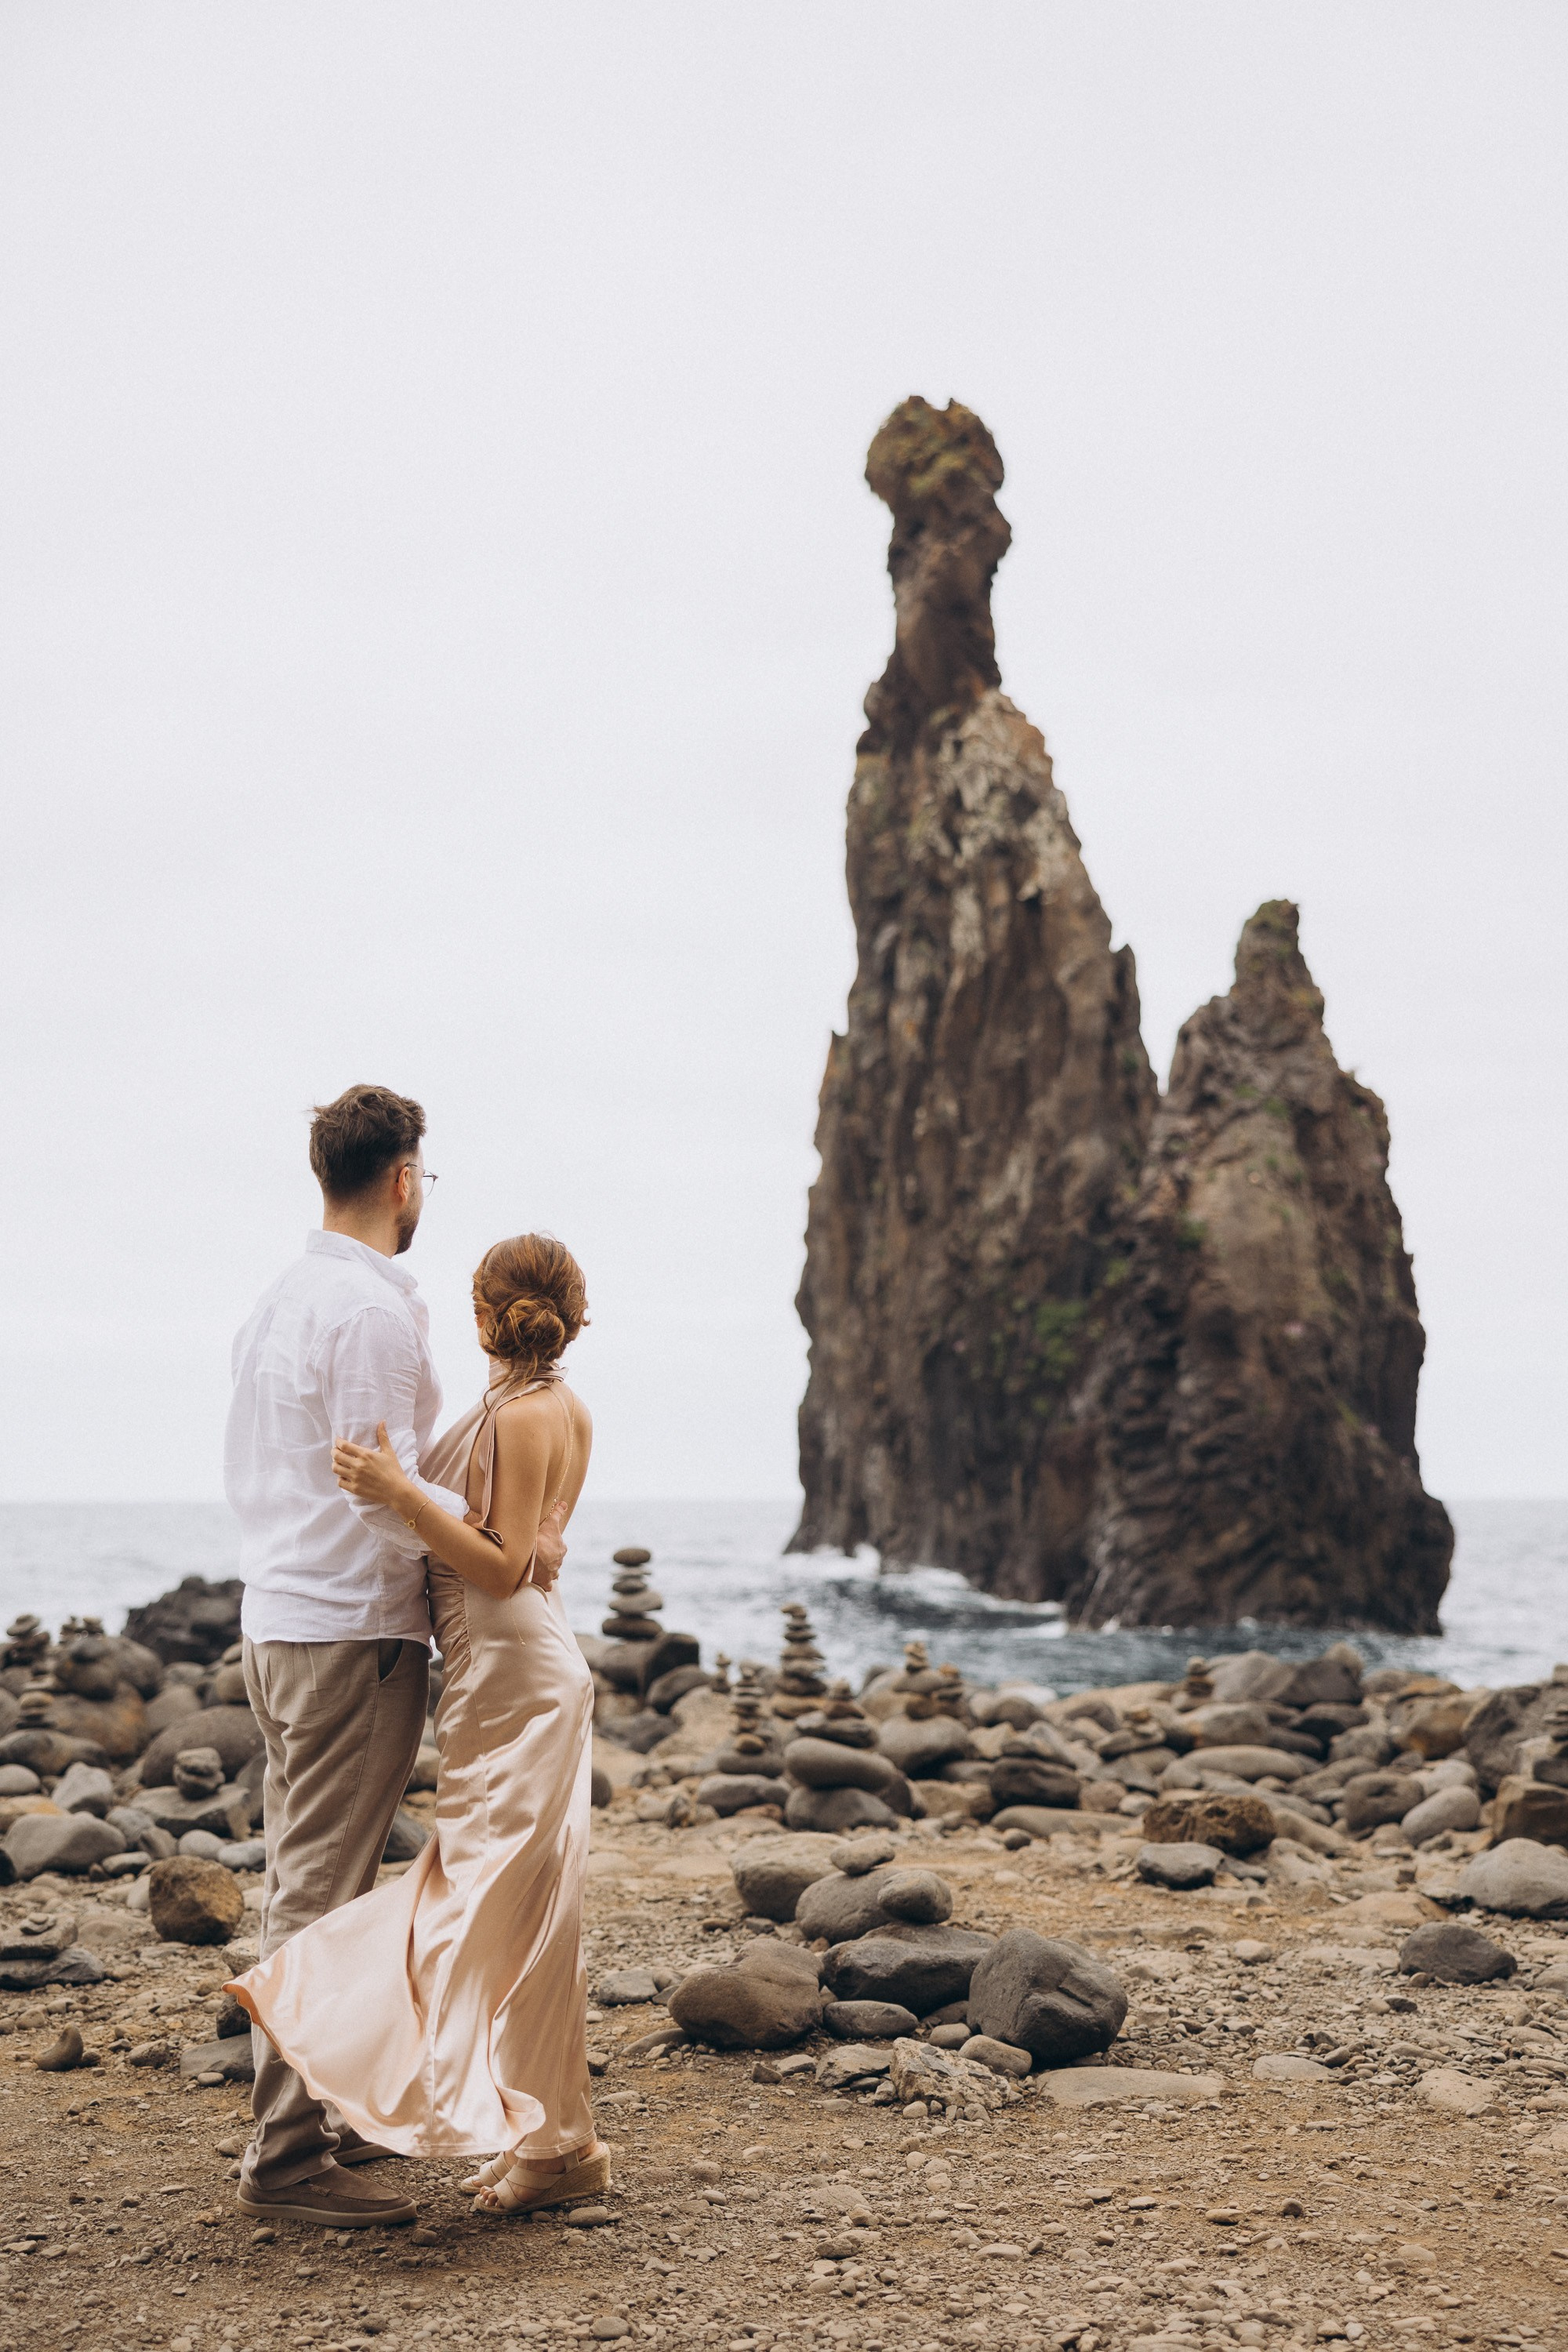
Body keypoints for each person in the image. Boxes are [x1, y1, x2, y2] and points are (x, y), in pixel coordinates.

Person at [225, 1082, 568, 2230]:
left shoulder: (280, 1299)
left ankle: (326, 2115)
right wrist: (486, 1559)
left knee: (310, 1873)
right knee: (321, 1892)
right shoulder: (370, 1314)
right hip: (348, 1629)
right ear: (405, 1180)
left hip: (279, 1617)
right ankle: (286, 2159)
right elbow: (376, 1490)